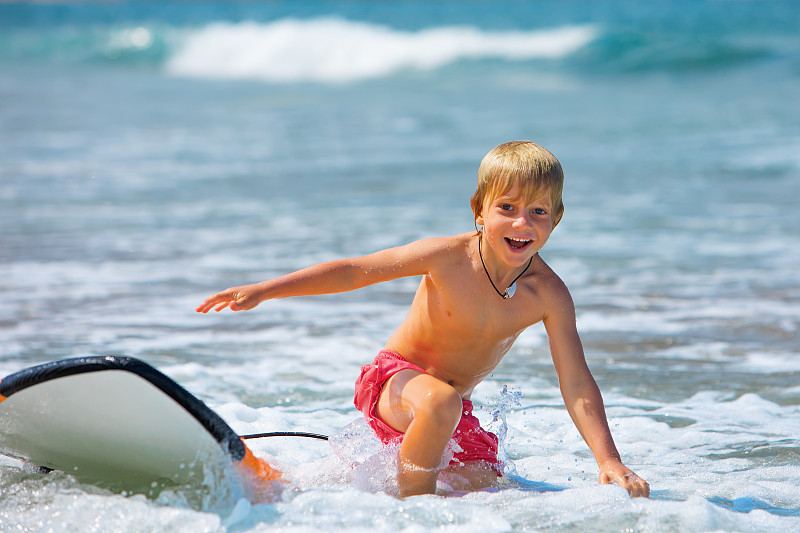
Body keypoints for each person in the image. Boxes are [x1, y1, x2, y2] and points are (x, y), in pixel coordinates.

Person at [196, 141, 650, 498]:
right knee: (439, 405)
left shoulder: (548, 295)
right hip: (395, 384)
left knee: (486, 485)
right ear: (478, 209)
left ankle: (321, 486)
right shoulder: (447, 257)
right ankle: (415, 517)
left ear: (557, 219)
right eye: (506, 208)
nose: (521, 223)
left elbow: (576, 382)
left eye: (538, 212)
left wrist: (608, 460)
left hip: (449, 409)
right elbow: (357, 270)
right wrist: (265, 290)